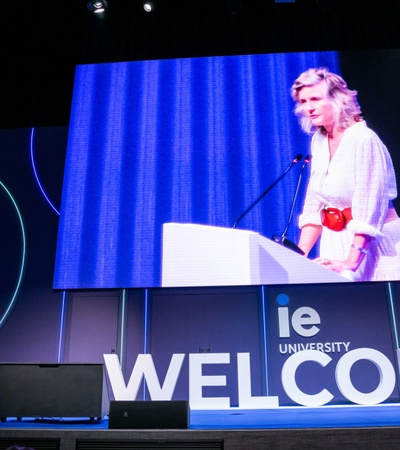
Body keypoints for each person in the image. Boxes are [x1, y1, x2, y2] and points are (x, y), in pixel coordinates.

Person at [291, 67, 400, 281]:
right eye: (303, 102)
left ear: (338, 100)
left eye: (315, 99)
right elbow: (314, 205)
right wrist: (298, 258)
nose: (308, 108)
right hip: (336, 242)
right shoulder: (319, 140)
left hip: (376, 247)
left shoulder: (363, 139)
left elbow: (370, 207)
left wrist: (351, 263)